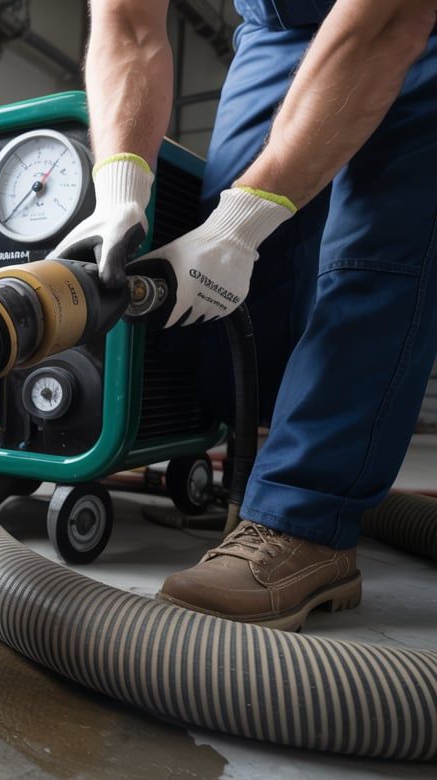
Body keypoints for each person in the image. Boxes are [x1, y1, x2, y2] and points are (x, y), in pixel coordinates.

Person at [52, 0, 437, 630]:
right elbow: (127, 25)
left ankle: (305, 522)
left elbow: (387, 24)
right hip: (278, 26)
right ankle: (259, 467)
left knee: (370, 258)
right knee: (235, 282)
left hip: (407, 19)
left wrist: (243, 224)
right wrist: (121, 185)